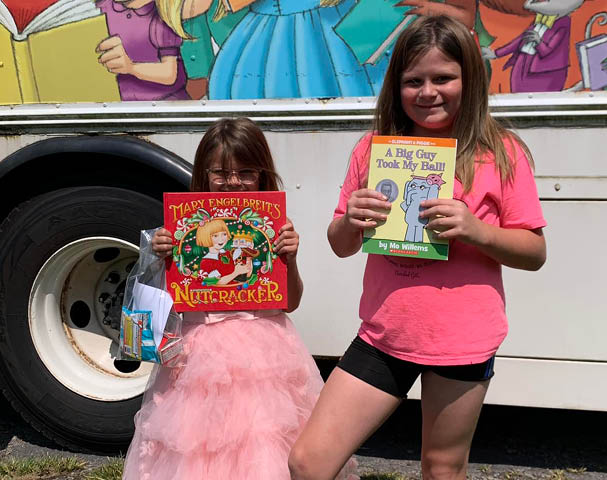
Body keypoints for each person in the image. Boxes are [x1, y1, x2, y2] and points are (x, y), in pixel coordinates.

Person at [289, 15, 547, 480]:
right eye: (413, 81)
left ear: (470, 78)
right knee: (308, 461)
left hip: (463, 341)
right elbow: (340, 245)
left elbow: (534, 252)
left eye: (443, 78)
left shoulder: (502, 151)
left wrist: (477, 231)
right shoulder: (374, 149)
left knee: (441, 469)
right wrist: (351, 219)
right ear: (396, 86)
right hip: (384, 335)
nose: (428, 92)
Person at [122, 118, 357, 479]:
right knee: (195, 446)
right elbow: (171, 297)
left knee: (263, 445)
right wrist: (160, 256)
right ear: (204, 173)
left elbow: (290, 301)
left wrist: (289, 260)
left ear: (263, 174)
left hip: (265, 353)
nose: (233, 181)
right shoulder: (186, 227)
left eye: (246, 171)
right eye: (220, 172)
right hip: (196, 351)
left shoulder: (272, 226)